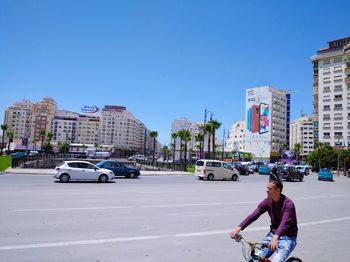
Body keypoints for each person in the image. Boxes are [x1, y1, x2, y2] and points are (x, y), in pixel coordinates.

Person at [230, 179, 298, 262]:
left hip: (288, 238)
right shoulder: (267, 201)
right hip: (273, 235)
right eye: (267, 188)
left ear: (278, 190)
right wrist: (239, 227)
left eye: (269, 188)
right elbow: (254, 215)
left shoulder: (288, 204)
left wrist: (275, 238)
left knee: (277, 260)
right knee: (255, 259)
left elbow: (284, 223)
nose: (266, 190)